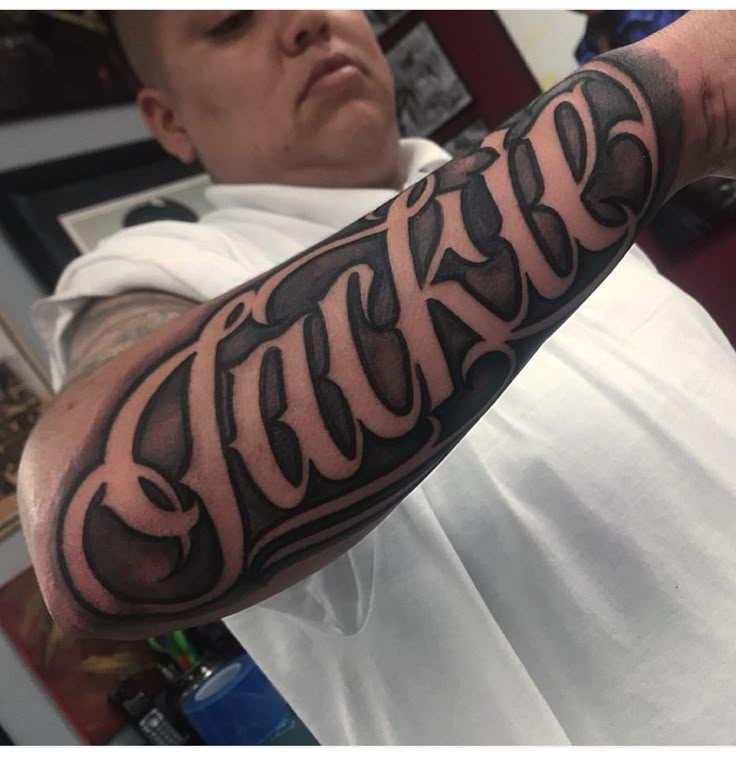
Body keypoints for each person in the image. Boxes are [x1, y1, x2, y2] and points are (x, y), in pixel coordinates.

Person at [17, 10, 736, 744]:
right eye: (232, 21)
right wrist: (690, 95)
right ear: (167, 119)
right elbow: (96, 538)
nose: (305, 20)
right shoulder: (150, 277)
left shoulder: (510, 166)